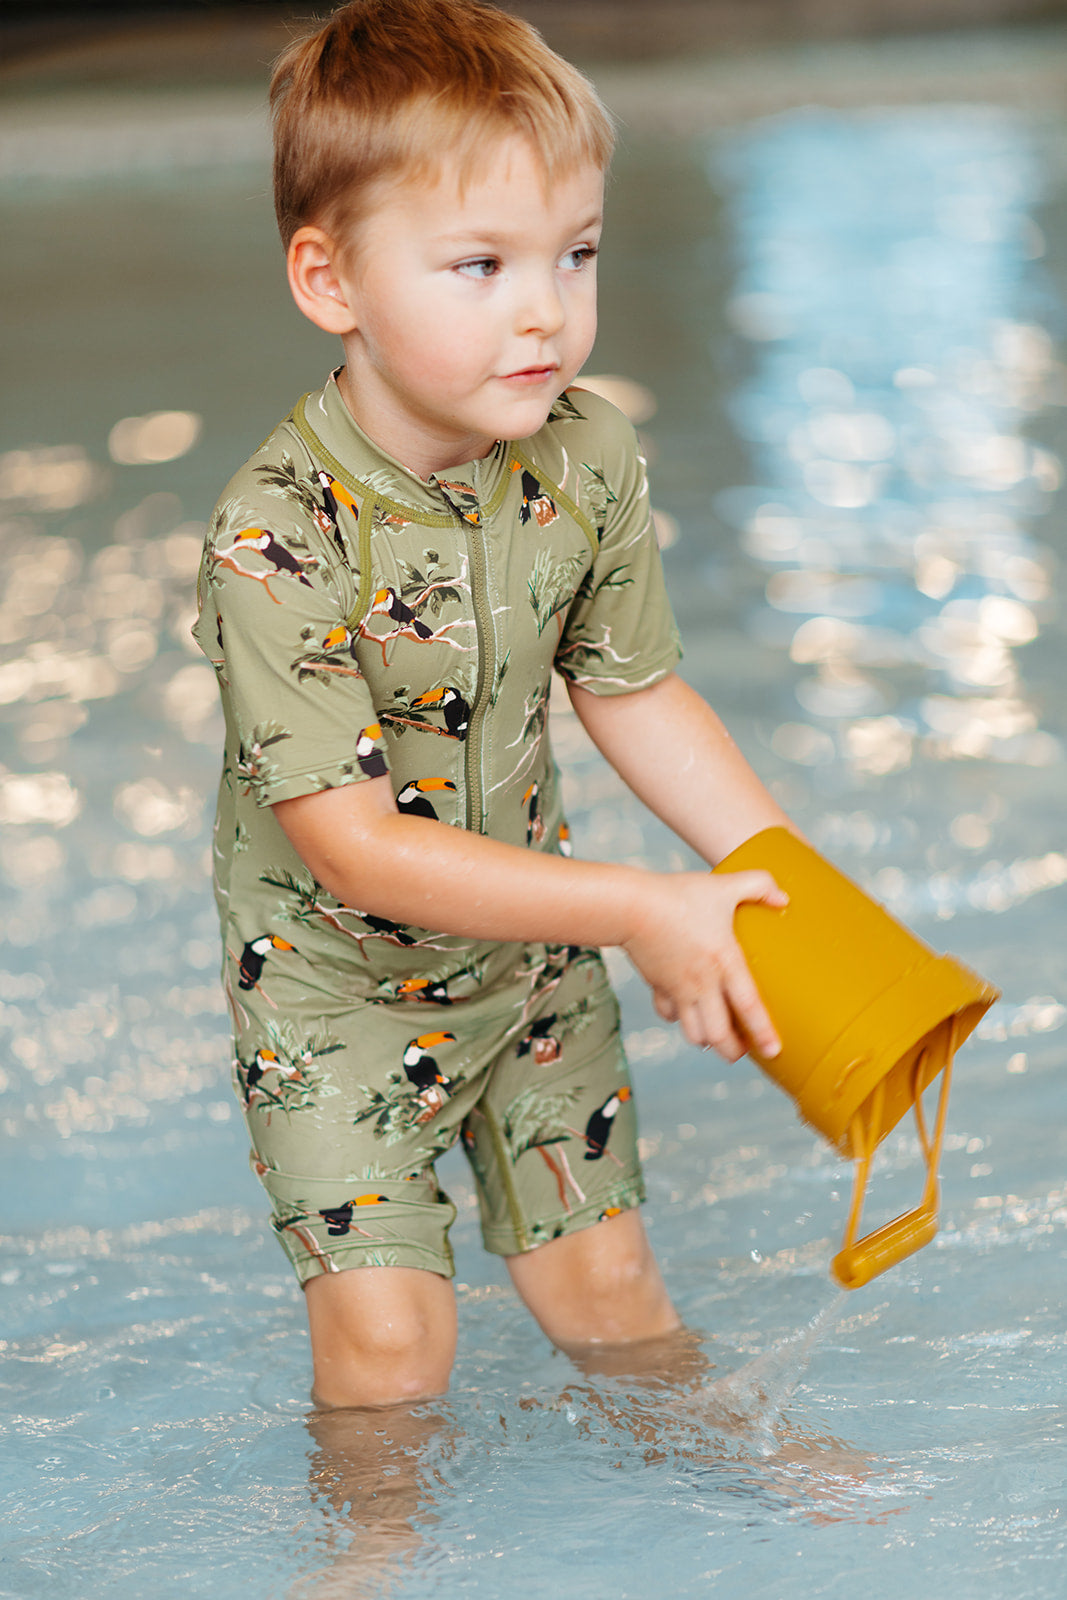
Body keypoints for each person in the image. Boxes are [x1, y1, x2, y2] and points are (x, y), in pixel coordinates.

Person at [194, 0, 793, 1413]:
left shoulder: (584, 456)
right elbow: (352, 847)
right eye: (481, 265)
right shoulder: (274, 539)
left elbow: (635, 693)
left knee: (613, 1297)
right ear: (329, 280)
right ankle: (369, 1562)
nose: (547, 308)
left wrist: (783, 885)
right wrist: (646, 907)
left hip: (529, 970)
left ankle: (725, 1485)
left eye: (575, 254)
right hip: (337, 994)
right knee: (394, 1349)